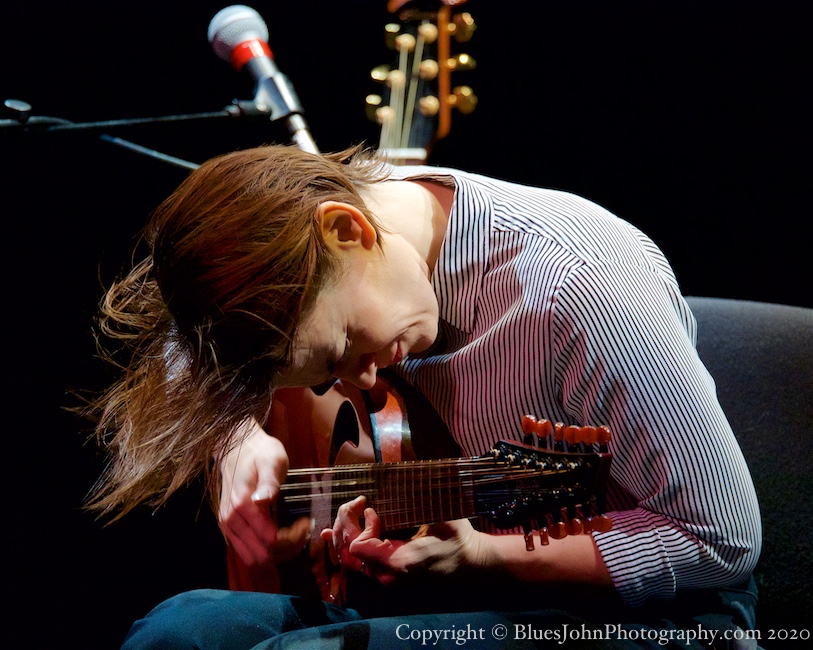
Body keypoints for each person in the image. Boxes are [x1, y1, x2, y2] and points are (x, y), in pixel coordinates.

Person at [87, 144, 761, 649]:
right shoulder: (327, 219)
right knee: (177, 633)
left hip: (665, 615)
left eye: (345, 346)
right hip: (478, 592)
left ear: (347, 231)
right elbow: (186, 329)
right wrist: (237, 438)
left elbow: (722, 539)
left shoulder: (577, 288)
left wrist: (484, 557)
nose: (367, 383)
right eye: (328, 376)